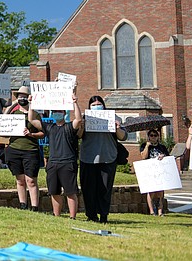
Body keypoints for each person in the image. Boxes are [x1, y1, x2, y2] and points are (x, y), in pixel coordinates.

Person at [28, 95, 83, 218]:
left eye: (59, 111)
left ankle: (72, 217)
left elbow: (78, 120)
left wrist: (75, 102)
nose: (57, 113)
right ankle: (56, 215)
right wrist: (31, 103)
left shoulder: (69, 127)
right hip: (53, 163)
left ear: (64, 113)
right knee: (54, 191)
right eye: (55, 111)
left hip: (68, 163)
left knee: (70, 192)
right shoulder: (49, 127)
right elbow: (32, 120)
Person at [79, 95, 127, 224]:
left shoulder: (113, 117)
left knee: (105, 189)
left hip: (107, 158)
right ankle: (91, 215)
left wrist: (117, 128)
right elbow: (78, 135)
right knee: (88, 189)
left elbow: (123, 137)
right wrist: (81, 125)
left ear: (103, 105)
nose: (96, 106)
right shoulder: (84, 118)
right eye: (93, 105)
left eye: (98, 104)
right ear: (89, 107)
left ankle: (104, 215)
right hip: (88, 158)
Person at [0, 85, 43, 211]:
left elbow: (43, 133)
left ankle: (35, 206)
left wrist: (31, 134)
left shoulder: (35, 115)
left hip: (30, 150)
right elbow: (4, 126)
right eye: (20, 96)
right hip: (14, 149)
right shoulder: (14, 113)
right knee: (20, 180)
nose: (22, 98)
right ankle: (22, 204)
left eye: (25, 96)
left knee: (31, 180)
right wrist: (13, 104)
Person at [140, 129, 169, 216]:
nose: (153, 137)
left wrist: (163, 156)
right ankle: (152, 211)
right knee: (151, 192)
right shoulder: (144, 145)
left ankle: (160, 211)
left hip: (160, 171)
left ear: (158, 137)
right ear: (148, 137)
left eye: (155, 135)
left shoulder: (162, 147)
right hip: (150, 171)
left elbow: (168, 158)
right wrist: (147, 146)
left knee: (160, 192)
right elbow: (143, 157)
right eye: (151, 135)